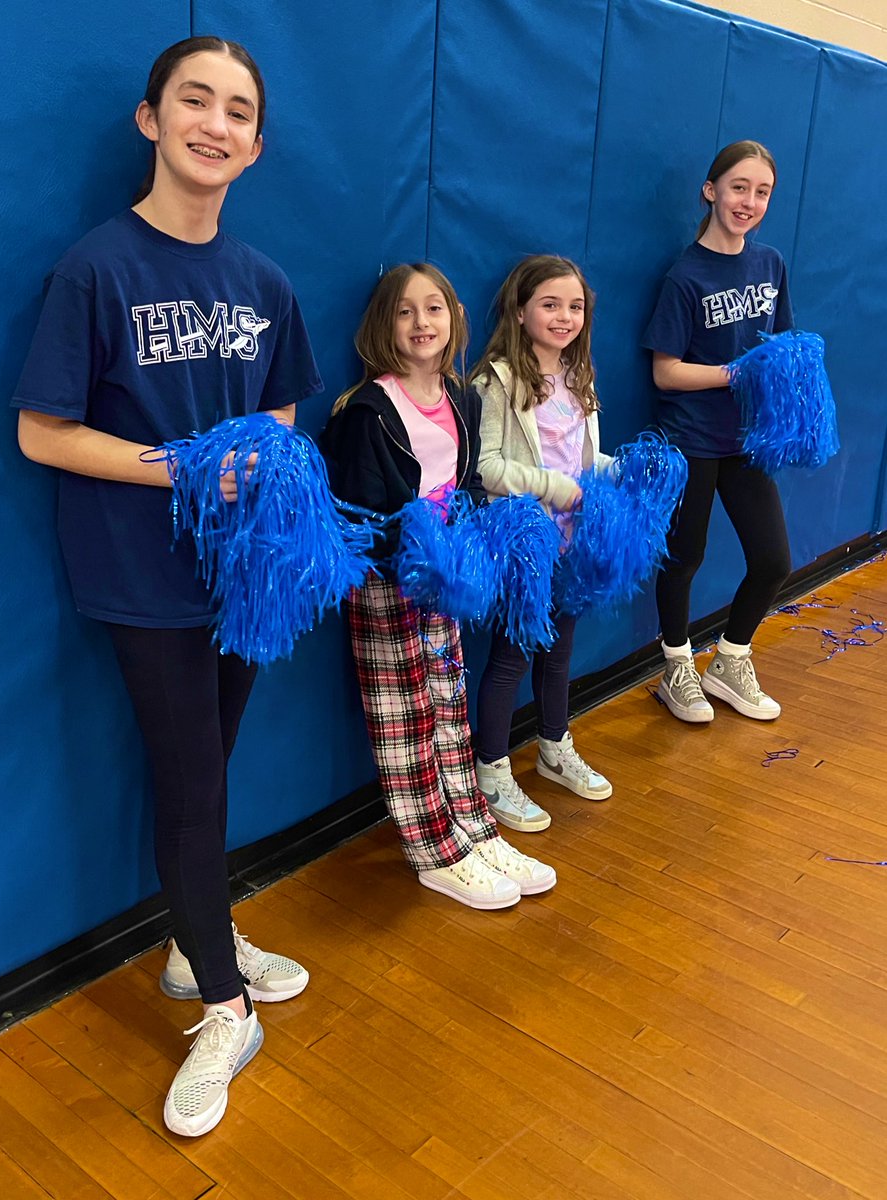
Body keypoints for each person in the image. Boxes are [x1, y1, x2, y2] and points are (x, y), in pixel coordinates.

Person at [12, 37, 322, 1137]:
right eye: (194, 100)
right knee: (190, 780)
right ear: (151, 119)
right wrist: (181, 467)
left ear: (257, 143)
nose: (215, 123)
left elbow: (285, 404)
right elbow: (41, 433)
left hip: (244, 578)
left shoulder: (264, 282)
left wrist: (258, 458)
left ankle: (199, 950)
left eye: (237, 111)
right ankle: (225, 1007)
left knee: (209, 773)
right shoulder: (96, 267)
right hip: (141, 576)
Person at [320, 263, 556, 909]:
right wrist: (423, 553)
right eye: (404, 311)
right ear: (383, 325)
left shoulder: (461, 397)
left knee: (449, 705)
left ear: (453, 318)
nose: (421, 323)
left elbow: (468, 485)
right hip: (389, 585)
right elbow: (361, 516)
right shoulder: (366, 410)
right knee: (406, 716)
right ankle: (433, 849)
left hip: (445, 583)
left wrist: (474, 546)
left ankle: (474, 829)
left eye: (433, 309)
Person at [642, 140, 793, 723]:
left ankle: (729, 660)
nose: (748, 202)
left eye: (761, 192)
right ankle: (676, 667)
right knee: (685, 557)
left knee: (773, 559)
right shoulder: (685, 275)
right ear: (711, 191)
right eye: (738, 188)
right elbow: (666, 370)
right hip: (692, 438)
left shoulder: (771, 263)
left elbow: (778, 343)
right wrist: (735, 372)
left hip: (746, 438)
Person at [472, 255, 613, 833]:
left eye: (575, 306)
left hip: (571, 545)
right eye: (550, 304)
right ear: (521, 309)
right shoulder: (496, 380)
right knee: (511, 658)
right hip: (524, 547)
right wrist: (559, 490)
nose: (564, 316)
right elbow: (485, 468)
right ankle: (492, 771)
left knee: (559, 653)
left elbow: (582, 457)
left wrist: (615, 474)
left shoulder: (580, 379)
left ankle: (554, 747)